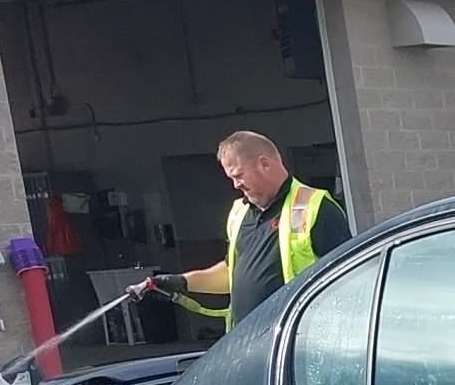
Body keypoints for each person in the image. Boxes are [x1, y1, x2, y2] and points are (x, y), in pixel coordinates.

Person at [130, 131, 350, 329]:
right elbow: (230, 275)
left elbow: (347, 280)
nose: (236, 185)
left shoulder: (315, 207)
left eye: (238, 175)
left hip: (298, 339)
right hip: (247, 341)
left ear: (264, 164)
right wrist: (181, 282)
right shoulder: (239, 213)